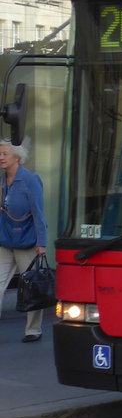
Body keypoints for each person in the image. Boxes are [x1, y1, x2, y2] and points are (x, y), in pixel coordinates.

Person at [0, 139, 49, 343]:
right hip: (4, 241)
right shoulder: (2, 181)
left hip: (26, 241)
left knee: (31, 285)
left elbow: (38, 213)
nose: (1, 157)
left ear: (17, 158)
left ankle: (33, 330)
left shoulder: (31, 179)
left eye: (4, 154)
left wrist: (42, 243)